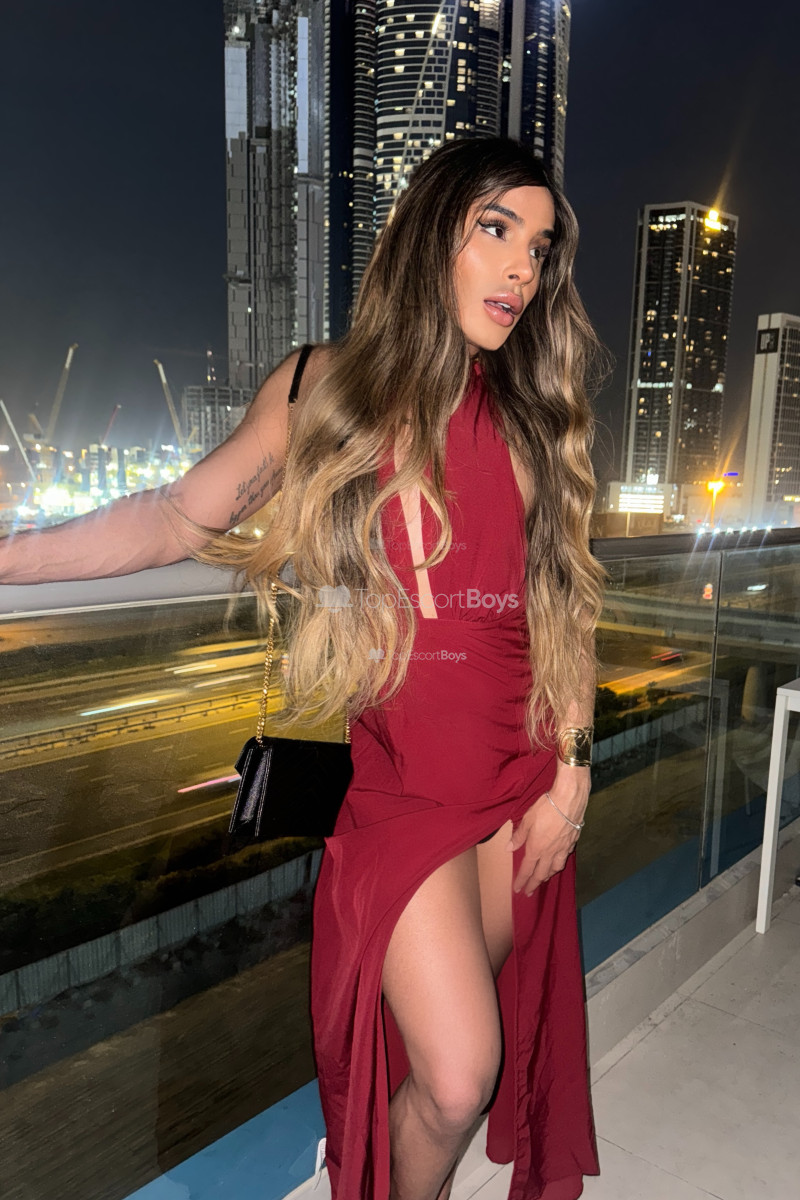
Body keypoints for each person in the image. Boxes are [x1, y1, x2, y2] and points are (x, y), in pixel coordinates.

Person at [0, 136, 606, 1200]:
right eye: (496, 230)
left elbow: (563, 604)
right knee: (461, 1072)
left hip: (515, 777)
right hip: (396, 782)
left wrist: (573, 770)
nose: (522, 267)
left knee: (436, 1054)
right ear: (432, 233)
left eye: (540, 246)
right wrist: (9, 559)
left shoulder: (528, 411)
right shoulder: (325, 385)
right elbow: (175, 518)